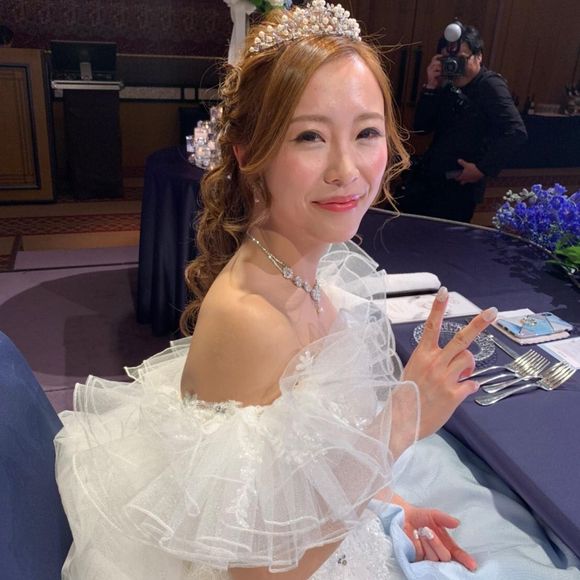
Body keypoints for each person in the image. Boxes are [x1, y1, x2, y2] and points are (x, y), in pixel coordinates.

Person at [54, 3, 579, 579]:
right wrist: (398, 427)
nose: (346, 169)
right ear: (248, 153)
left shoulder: (312, 271)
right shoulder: (250, 319)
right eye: (310, 136)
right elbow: (248, 572)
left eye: (367, 133)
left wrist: (390, 508)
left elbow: (308, 472)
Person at [396, 24, 527, 223]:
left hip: (459, 185)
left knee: (445, 238)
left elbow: (516, 131)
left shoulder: (489, 85)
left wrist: (482, 169)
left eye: (460, 59)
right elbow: (421, 128)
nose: (453, 65)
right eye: (447, 59)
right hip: (431, 178)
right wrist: (431, 86)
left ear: (479, 56)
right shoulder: (446, 84)